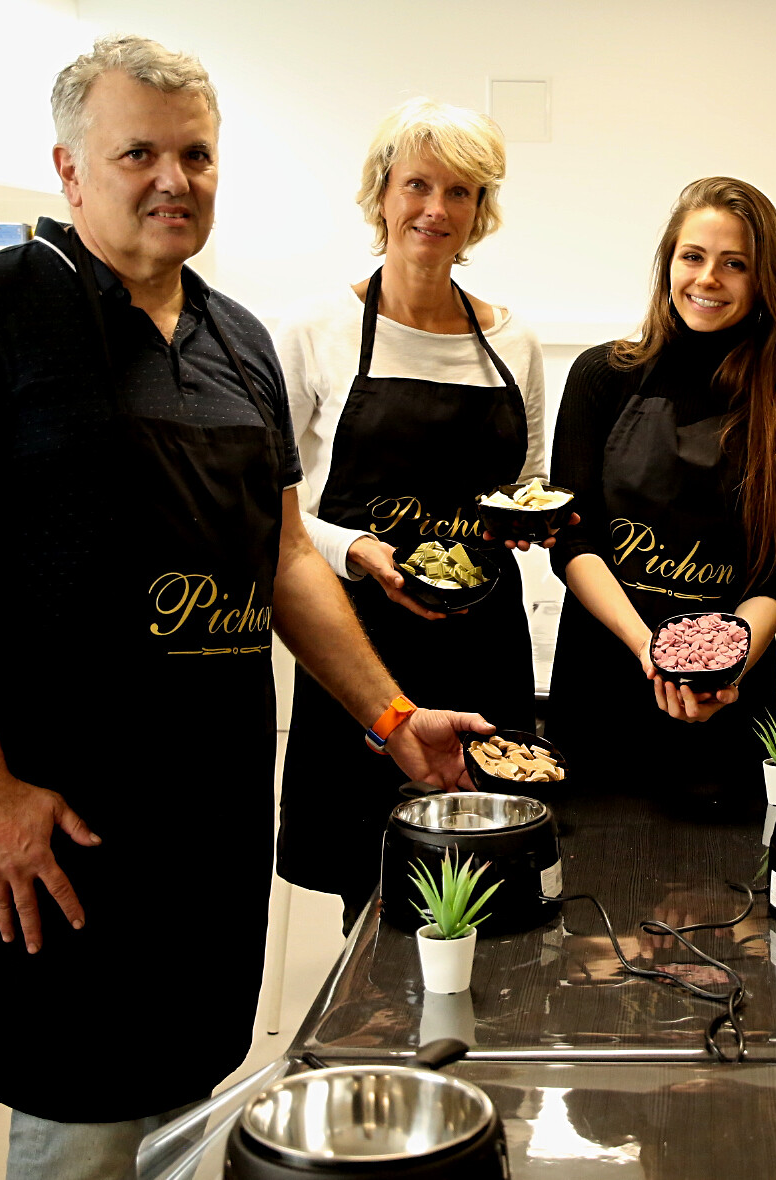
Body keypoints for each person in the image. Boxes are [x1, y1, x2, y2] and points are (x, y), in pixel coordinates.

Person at [0, 36, 489, 1180]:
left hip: (214, 813)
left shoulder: (237, 341)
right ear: (69, 170)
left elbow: (287, 556)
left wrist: (394, 718)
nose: (173, 178)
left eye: (195, 154)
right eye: (136, 152)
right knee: (83, 1124)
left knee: (189, 1100)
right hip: (72, 823)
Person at [274, 98, 550, 932]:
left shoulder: (514, 340)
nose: (436, 209)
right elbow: (273, 510)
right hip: (359, 641)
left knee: (495, 871)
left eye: (460, 192)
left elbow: (528, 482)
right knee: (378, 883)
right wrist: (356, 549)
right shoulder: (317, 330)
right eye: (417, 185)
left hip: (484, 639)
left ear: (480, 212)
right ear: (381, 196)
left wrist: (529, 524)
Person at [547, 177, 776, 804]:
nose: (708, 279)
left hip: (724, 701)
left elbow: (774, 580)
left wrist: (715, 672)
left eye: (735, 265)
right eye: (693, 257)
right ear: (668, 264)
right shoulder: (601, 377)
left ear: (762, 283)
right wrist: (651, 649)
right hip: (601, 682)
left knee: (721, 892)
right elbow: (572, 543)